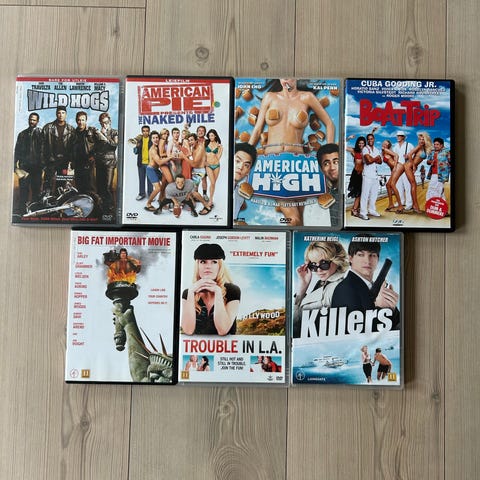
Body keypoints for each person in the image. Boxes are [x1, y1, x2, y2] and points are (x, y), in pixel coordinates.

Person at [248, 78, 335, 226]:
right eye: (283, 76)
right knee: (294, 219)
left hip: (299, 166)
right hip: (272, 166)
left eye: (289, 75)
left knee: (300, 220)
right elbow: (257, 130)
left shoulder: (307, 97)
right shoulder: (270, 97)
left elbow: (329, 124)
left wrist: (329, 154)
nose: (286, 79)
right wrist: (245, 154)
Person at [331, 236, 400, 329]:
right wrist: (380, 309)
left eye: (372, 255)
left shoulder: (375, 287)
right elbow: (355, 332)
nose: (367, 261)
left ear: (378, 259)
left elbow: (399, 328)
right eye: (361, 255)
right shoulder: (345, 289)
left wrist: (391, 309)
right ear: (350, 258)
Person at [181, 243, 240, 336]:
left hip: (226, 345)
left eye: (214, 262)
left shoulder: (232, 291)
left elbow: (223, 330)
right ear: (197, 265)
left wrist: (218, 292)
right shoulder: (188, 293)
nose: (208, 266)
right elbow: (188, 330)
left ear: (220, 266)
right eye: (203, 262)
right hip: (198, 345)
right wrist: (191, 292)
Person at [292, 240, 349, 337]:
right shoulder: (321, 284)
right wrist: (303, 285)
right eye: (313, 265)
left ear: (337, 260)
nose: (318, 270)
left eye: (324, 263)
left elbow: (297, 324)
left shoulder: (339, 288)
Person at [72, 111, 108, 196]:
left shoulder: (92, 130)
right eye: (79, 120)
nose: (81, 122)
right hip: (77, 164)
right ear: (76, 121)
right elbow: (71, 148)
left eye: (83, 120)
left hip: (88, 162)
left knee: (90, 187)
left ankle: (95, 204)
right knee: (79, 187)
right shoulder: (74, 133)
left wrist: (94, 155)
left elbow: (104, 141)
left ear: (86, 120)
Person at [14, 112, 43, 212]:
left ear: (37, 121)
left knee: (36, 191)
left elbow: (45, 150)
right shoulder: (22, 134)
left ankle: (35, 212)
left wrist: (42, 165)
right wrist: (15, 167)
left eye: (34, 120)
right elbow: (17, 151)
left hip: (37, 168)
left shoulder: (41, 134)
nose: (32, 121)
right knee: (23, 191)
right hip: (24, 168)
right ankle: (22, 212)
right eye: (30, 119)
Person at [42, 106, 75, 193]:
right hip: (51, 160)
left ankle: (58, 199)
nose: (61, 115)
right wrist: (44, 160)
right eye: (59, 113)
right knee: (48, 183)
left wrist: (71, 160)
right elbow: (42, 145)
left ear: (66, 114)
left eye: (63, 113)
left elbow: (74, 146)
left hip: (64, 162)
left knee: (61, 184)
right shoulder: (48, 127)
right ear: (56, 114)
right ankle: (46, 200)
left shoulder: (71, 129)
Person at [95, 112, 118, 214]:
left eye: (107, 122)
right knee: (100, 187)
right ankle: (102, 209)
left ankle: (110, 208)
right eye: (102, 123)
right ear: (100, 123)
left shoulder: (114, 132)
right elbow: (95, 148)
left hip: (110, 163)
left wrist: (104, 136)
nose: (105, 125)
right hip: (99, 162)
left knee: (108, 187)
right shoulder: (97, 133)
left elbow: (114, 145)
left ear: (110, 121)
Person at [405, 132, 433, 212]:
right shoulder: (419, 146)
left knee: (413, 185)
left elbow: (416, 158)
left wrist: (415, 166)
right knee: (413, 185)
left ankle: (414, 205)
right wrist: (414, 166)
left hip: (411, 167)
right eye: (420, 139)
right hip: (408, 166)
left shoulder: (424, 148)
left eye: (423, 139)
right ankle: (415, 205)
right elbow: (409, 155)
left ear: (426, 140)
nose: (421, 141)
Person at [359, 132, 382, 220]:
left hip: (375, 175)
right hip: (367, 175)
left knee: (374, 194)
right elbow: (368, 161)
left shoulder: (376, 149)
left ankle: (372, 210)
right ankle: (363, 213)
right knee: (365, 194)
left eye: (371, 139)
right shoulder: (365, 149)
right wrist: (376, 158)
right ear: (367, 140)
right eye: (368, 139)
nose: (370, 140)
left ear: (374, 139)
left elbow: (380, 162)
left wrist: (373, 158)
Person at [317, 143, 340, 226]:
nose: (332, 168)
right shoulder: (323, 196)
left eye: (336, 162)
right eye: (326, 164)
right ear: (321, 169)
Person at [233, 142, 256, 222]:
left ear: (248, 171)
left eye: (246, 165)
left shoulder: (240, 194)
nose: (240, 167)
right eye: (237, 161)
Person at [392, 131, 414, 210]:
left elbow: (413, 155)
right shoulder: (395, 146)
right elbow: (394, 157)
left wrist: (408, 156)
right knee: (398, 185)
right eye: (397, 136)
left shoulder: (409, 145)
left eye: (400, 136)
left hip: (406, 167)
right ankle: (401, 201)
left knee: (407, 186)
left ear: (403, 137)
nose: (398, 137)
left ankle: (409, 204)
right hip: (398, 168)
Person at [426, 137, 451, 205]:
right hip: (433, 173)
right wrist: (430, 162)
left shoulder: (447, 151)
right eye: (434, 144)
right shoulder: (432, 152)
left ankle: (432, 204)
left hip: (442, 174)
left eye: (437, 144)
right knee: (440, 190)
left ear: (442, 145)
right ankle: (442, 206)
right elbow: (428, 161)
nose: (435, 146)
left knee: (433, 189)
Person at [345, 135, 366, 218]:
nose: (361, 145)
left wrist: (372, 132)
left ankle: (356, 208)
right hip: (356, 174)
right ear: (357, 143)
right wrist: (349, 138)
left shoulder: (366, 151)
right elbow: (342, 146)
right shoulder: (354, 151)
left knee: (361, 193)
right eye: (359, 143)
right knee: (358, 194)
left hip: (362, 175)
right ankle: (354, 209)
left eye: (363, 143)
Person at [381, 140, 404, 213]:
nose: (384, 144)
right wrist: (392, 171)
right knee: (388, 185)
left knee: (392, 184)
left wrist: (395, 167)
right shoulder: (383, 152)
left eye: (386, 144)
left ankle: (400, 206)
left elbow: (396, 155)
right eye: (383, 143)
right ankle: (391, 204)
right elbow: (390, 163)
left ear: (388, 146)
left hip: (398, 167)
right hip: (395, 168)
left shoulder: (386, 150)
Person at [130, 125, 152, 200]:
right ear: (142, 132)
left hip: (149, 163)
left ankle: (150, 194)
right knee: (141, 179)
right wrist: (135, 146)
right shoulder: (139, 140)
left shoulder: (151, 140)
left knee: (150, 180)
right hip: (141, 163)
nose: (145, 132)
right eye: (144, 131)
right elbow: (135, 152)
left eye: (147, 131)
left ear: (149, 132)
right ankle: (142, 194)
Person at [144, 131, 163, 211]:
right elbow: (159, 162)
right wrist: (170, 157)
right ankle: (148, 204)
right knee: (158, 188)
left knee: (165, 183)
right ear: (151, 139)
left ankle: (160, 200)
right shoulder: (153, 150)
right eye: (153, 138)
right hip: (151, 170)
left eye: (157, 137)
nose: (155, 139)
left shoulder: (158, 147)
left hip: (156, 170)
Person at [186, 133, 208, 199]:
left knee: (197, 184)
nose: (190, 142)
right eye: (189, 140)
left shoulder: (200, 148)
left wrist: (184, 156)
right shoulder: (193, 147)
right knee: (195, 186)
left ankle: (203, 196)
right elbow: (192, 158)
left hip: (200, 169)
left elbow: (194, 163)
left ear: (196, 140)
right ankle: (196, 197)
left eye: (192, 140)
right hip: (195, 169)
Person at [205, 129, 223, 208]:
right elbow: (203, 154)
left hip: (216, 165)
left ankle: (211, 199)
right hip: (208, 165)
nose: (210, 137)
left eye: (212, 135)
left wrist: (220, 149)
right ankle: (210, 200)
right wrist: (205, 162)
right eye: (209, 136)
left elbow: (218, 157)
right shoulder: (206, 143)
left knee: (213, 183)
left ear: (215, 136)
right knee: (212, 182)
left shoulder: (219, 145)